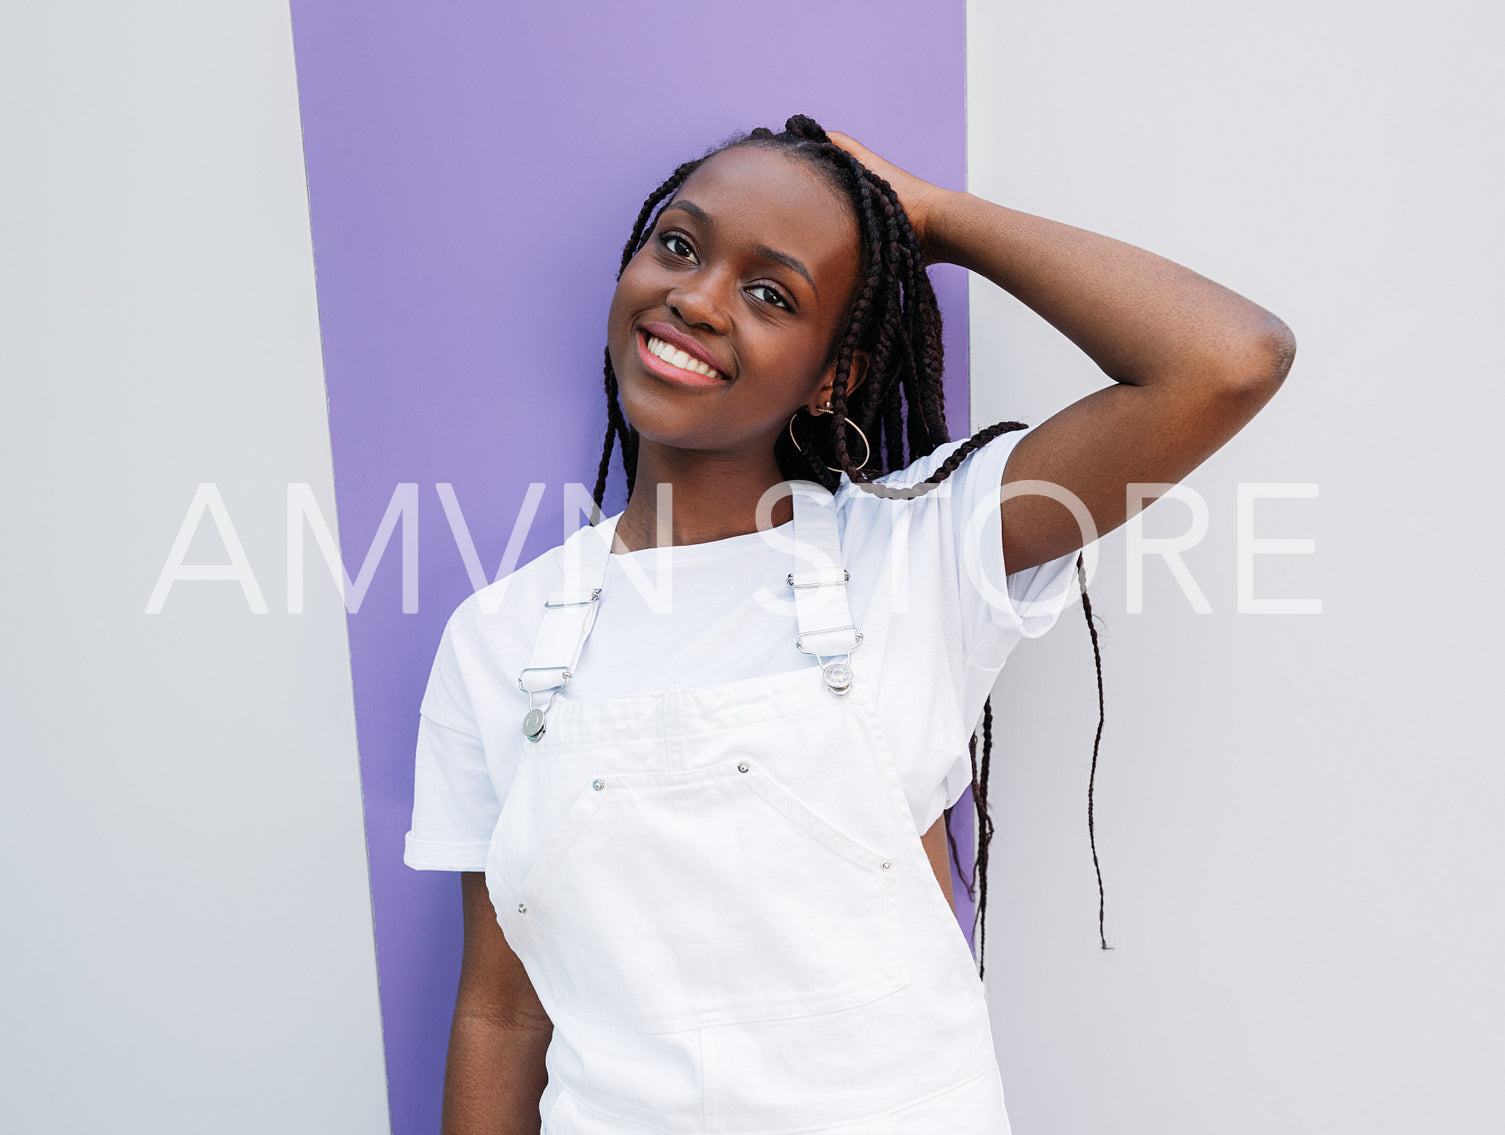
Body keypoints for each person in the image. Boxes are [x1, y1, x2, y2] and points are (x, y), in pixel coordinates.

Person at [404, 115, 1294, 1134]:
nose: (693, 297)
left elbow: (1228, 360)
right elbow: (501, 1011)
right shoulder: (500, 635)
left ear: (833, 376)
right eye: (678, 245)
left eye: (770, 292)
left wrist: (937, 219)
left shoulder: (920, 547)